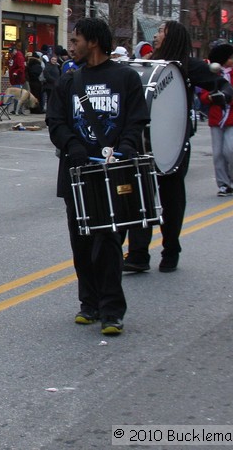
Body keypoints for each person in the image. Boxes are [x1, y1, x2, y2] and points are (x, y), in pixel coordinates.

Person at [46, 17, 148, 336]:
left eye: (75, 40)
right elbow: (55, 121)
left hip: (112, 172)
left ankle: (111, 310)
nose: (70, 46)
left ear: (92, 41)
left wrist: (126, 147)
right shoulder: (69, 81)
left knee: (108, 241)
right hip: (77, 174)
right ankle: (87, 303)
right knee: (81, 241)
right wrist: (72, 145)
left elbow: (136, 121)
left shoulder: (126, 77)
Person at [122, 21, 233, 273]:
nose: (158, 35)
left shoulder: (187, 66)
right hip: (144, 143)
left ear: (173, 38)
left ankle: (171, 249)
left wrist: (222, 96)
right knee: (141, 199)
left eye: (162, 32)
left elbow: (223, 86)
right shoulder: (149, 63)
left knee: (171, 200)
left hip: (173, 144)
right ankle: (138, 254)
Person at [199, 43, 233, 197]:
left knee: (230, 150)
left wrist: (228, 98)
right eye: (230, 57)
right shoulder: (212, 75)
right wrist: (211, 98)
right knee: (217, 154)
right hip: (217, 119)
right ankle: (223, 184)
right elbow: (203, 95)